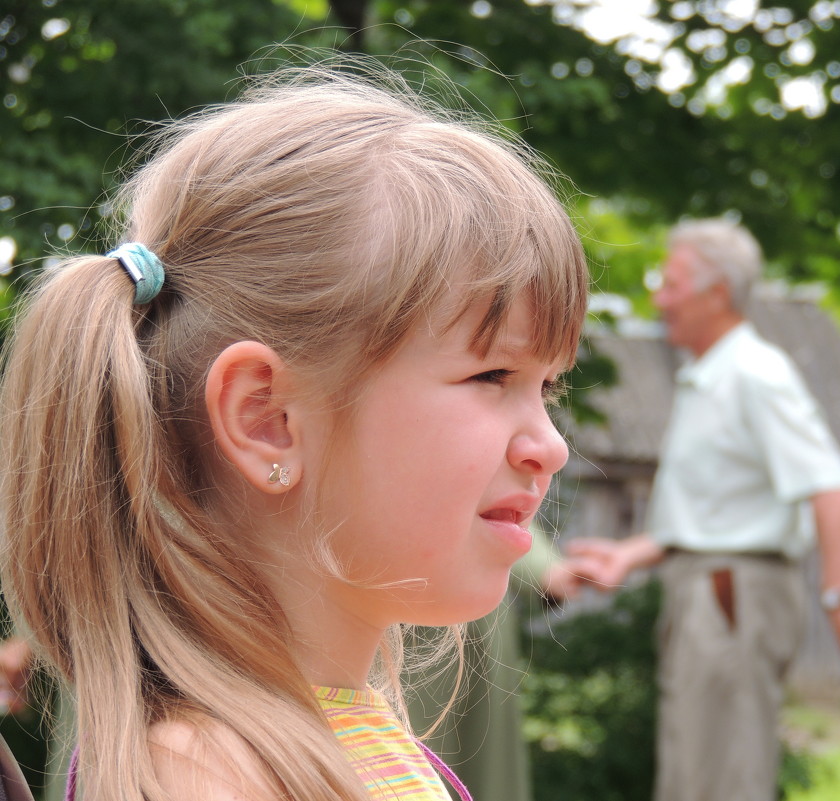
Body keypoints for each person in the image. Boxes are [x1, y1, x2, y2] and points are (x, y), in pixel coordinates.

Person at [0, 63, 588, 801]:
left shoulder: (337, 734)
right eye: (492, 377)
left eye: (548, 388)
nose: (551, 445)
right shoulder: (212, 776)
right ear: (267, 420)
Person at [569, 217, 840, 801]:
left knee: (726, 774)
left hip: (732, 592)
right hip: (710, 586)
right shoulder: (708, 376)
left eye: (672, 283)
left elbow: (832, 486)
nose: (659, 298)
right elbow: (711, 516)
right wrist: (629, 555)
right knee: (694, 766)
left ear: (717, 293)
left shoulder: (755, 374)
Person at [407, 526, 584, 801]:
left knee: (485, 764)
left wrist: (545, 568)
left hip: (482, 630)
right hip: (404, 615)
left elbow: (501, 504)